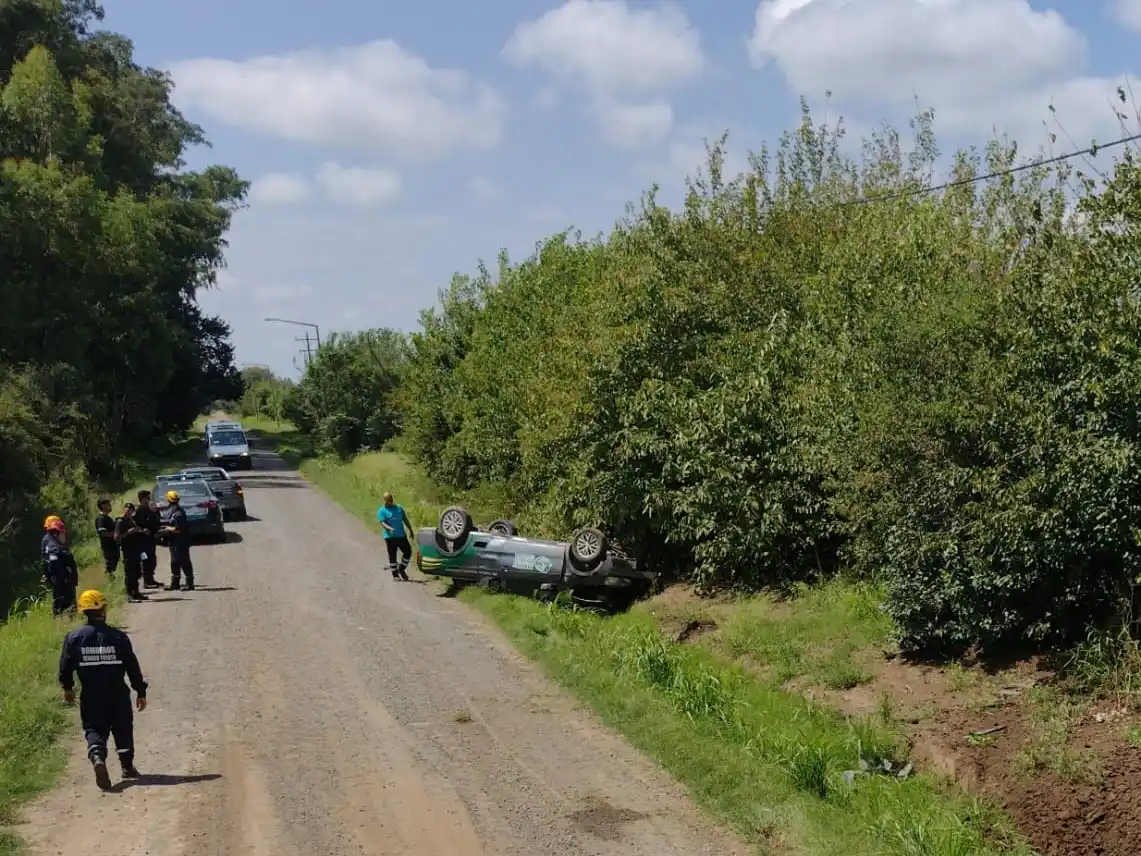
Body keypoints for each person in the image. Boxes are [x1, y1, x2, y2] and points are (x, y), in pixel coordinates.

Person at [58, 590, 148, 790]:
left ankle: (98, 756)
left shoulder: (74, 638)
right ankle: (127, 767)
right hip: (117, 693)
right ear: (103, 609)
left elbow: (65, 665)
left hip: (91, 694)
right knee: (122, 727)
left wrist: (67, 687)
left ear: (84, 611)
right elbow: (132, 666)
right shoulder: (118, 637)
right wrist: (140, 691)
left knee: (94, 728)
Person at [41, 515, 79, 617]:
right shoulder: (56, 548)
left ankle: (62, 622)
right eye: (63, 533)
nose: (65, 535)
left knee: (58, 603)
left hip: (56, 580)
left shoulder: (45, 541)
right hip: (63, 582)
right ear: (57, 533)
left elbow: (45, 561)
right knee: (66, 605)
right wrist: (64, 578)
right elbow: (55, 562)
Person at [160, 489, 194, 591]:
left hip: (181, 542)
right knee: (174, 562)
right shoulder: (173, 511)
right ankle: (175, 584)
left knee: (184, 561)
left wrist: (167, 528)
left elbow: (178, 529)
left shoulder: (178, 513)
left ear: (169, 500)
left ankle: (190, 584)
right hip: (174, 542)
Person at [114, 503, 149, 602]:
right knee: (130, 574)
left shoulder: (130, 520)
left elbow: (137, 529)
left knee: (137, 572)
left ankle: (136, 593)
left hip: (135, 549)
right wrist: (128, 533)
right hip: (128, 550)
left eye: (131, 511)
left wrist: (142, 531)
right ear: (124, 510)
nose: (129, 512)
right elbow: (116, 537)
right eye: (128, 510)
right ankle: (129, 595)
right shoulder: (120, 521)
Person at [376, 492, 414, 581]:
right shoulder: (382, 511)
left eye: (391, 500)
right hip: (390, 537)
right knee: (392, 555)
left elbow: (405, 519)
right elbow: (382, 522)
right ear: (385, 501)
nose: (390, 502)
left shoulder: (399, 508)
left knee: (408, 551)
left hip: (401, 535)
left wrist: (410, 530)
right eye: (388, 500)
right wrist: (389, 528)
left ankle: (401, 569)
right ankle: (395, 575)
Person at [133, 489, 162, 589]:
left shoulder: (149, 509)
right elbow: (132, 524)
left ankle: (151, 579)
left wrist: (155, 511)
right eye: (147, 498)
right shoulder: (137, 510)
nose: (149, 500)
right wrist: (142, 530)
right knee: (145, 559)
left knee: (152, 559)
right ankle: (146, 582)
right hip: (141, 540)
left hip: (150, 538)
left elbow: (155, 520)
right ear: (142, 499)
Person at [94, 497, 119, 579]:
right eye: (108, 504)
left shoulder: (107, 517)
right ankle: (109, 581)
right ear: (102, 505)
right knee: (110, 567)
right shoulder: (101, 518)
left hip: (113, 546)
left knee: (113, 565)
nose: (110, 506)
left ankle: (110, 580)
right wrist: (115, 534)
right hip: (108, 546)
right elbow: (102, 532)